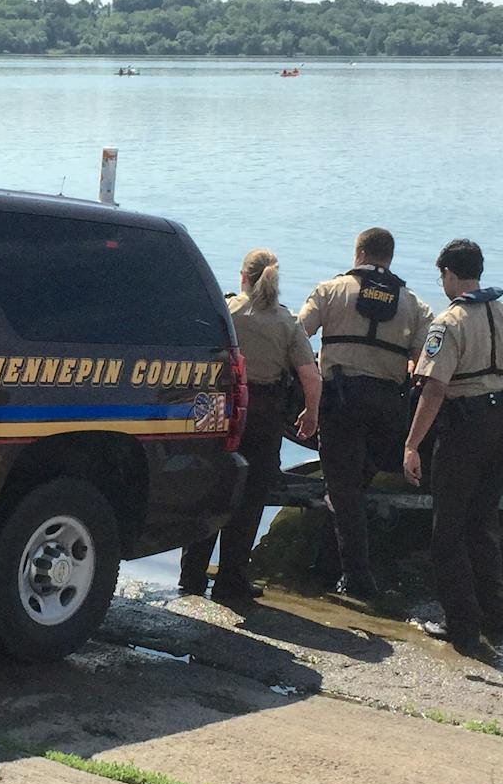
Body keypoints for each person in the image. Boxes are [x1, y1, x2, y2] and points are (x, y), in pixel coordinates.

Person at [401, 239, 503, 657]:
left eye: (441, 275)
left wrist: (412, 444)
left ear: (449, 274)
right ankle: (496, 616)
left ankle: (461, 625)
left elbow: (435, 388)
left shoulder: (449, 322)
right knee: (484, 523)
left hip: (466, 424)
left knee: (448, 530)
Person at [180, 248, 320, 608]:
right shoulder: (286, 322)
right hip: (264, 414)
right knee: (251, 496)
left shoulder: (227, 312)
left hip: (220, 410)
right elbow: (310, 376)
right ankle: (231, 580)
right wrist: (311, 414)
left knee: (209, 489)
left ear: (243, 277)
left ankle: (191, 576)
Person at [297, 227, 431, 598]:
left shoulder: (330, 290)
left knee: (343, 490)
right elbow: (422, 364)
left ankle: (359, 579)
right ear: (389, 257)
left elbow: (297, 336)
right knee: (350, 485)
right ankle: (325, 567)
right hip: (388, 407)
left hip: (341, 400)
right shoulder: (415, 304)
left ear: (358, 254)